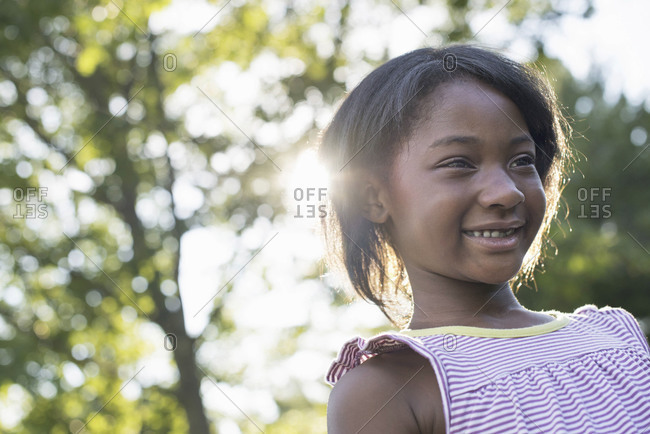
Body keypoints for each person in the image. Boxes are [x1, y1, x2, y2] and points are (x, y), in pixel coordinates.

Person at [318, 45, 650, 433]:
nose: (507, 192)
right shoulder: (385, 389)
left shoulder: (618, 339)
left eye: (522, 160)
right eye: (459, 163)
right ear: (373, 198)